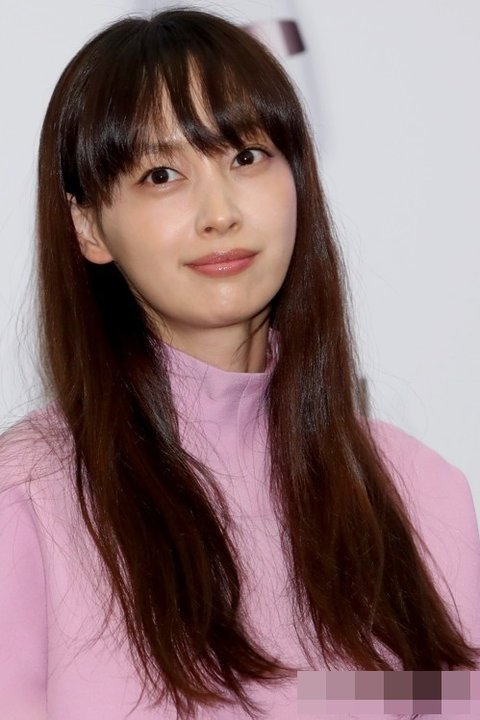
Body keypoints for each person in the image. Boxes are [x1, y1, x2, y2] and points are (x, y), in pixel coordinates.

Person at [0, 8, 479, 720]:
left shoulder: (418, 492)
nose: (219, 211)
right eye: (162, 174)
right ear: (90, 225)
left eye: (246, 157)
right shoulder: (25, 501)